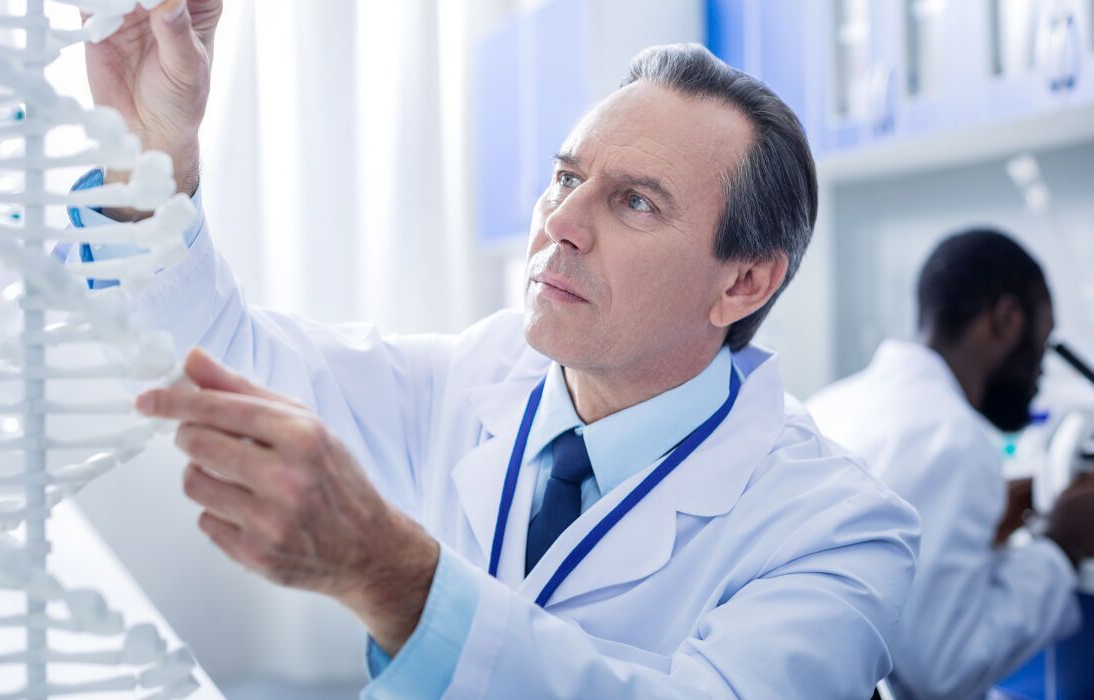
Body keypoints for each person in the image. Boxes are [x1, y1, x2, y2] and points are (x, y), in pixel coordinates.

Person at [70, 2, 922, 696]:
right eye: (565, 176)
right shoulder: (474, 377)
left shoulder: (841, 532)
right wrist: (146, 162)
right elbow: (212, 357)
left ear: (742, 285)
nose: (559, 222)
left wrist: (398, 580)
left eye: (634, 203)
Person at [808, 229, 1094, 700]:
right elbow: (944, 670)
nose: (1040, 376)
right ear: (1006, 320)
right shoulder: (954, 437)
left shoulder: (837, 403)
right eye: (1042, 347)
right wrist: (1062, 545)